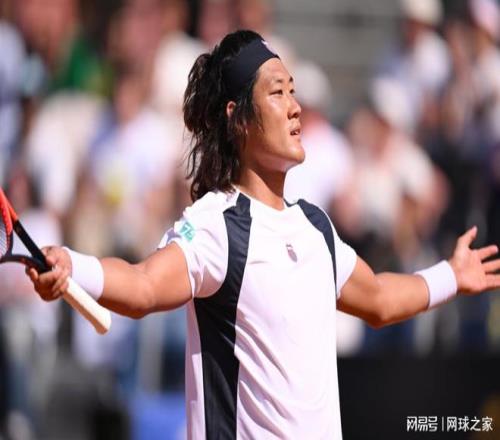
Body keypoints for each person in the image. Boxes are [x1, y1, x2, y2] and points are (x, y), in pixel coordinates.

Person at [27, 30, 500, 439]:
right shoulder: (217, 225)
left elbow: (377, 298)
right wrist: (74, 266)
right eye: (277, 93)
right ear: (239, 118)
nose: (295, 108)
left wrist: (451, 275)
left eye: (293, 92)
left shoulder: (315, 227)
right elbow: (145, 285)